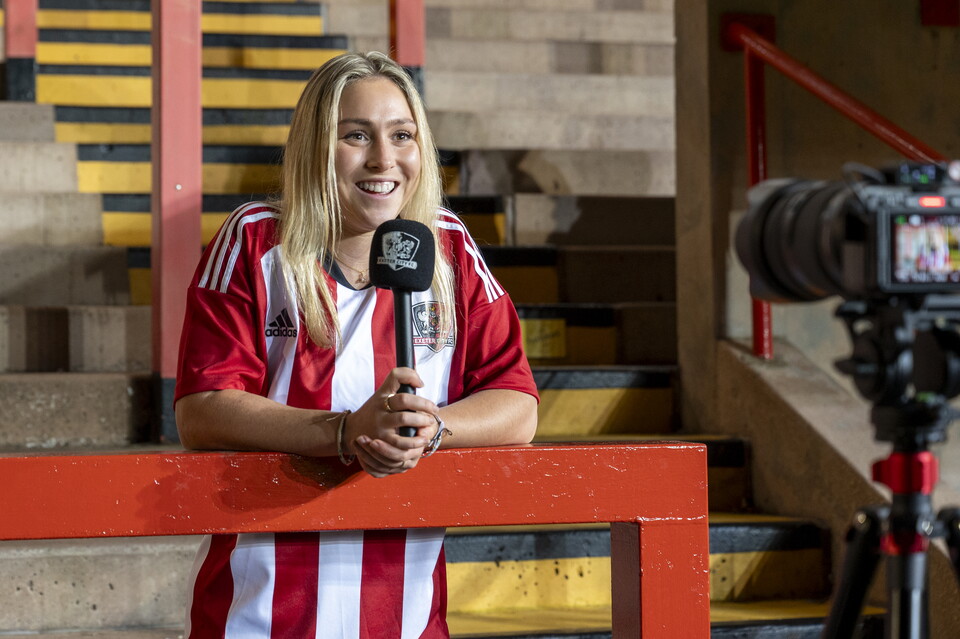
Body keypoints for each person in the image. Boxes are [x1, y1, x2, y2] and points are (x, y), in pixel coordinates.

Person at [173, 51, 539, 638]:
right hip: (259, 617)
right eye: (355, 136)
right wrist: (347, 432)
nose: (383, 159)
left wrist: (431, 427)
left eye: (402, 135)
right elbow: (202, 409)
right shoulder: (252, 240)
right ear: (316, 146)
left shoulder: (448, 245)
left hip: (409, 618)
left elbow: (517, 403)